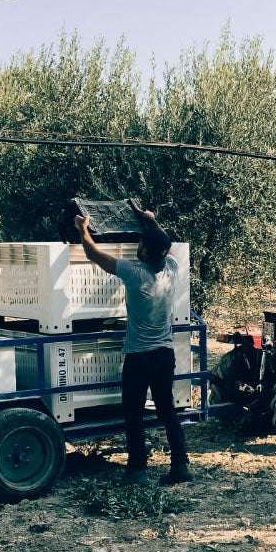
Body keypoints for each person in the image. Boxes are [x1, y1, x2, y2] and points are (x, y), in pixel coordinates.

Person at [73, 205, 192, 486]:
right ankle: (181, 466)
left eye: (140, 244)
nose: (137, 247)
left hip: (139, 357)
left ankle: (137, 470)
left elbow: (92, 254)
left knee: (133, 413)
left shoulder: (134, 272)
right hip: (165, 354)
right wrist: (151, 221)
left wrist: (83, 229)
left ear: (145, 253)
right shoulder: (171, 269)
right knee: (167, 410)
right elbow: (166, 245)